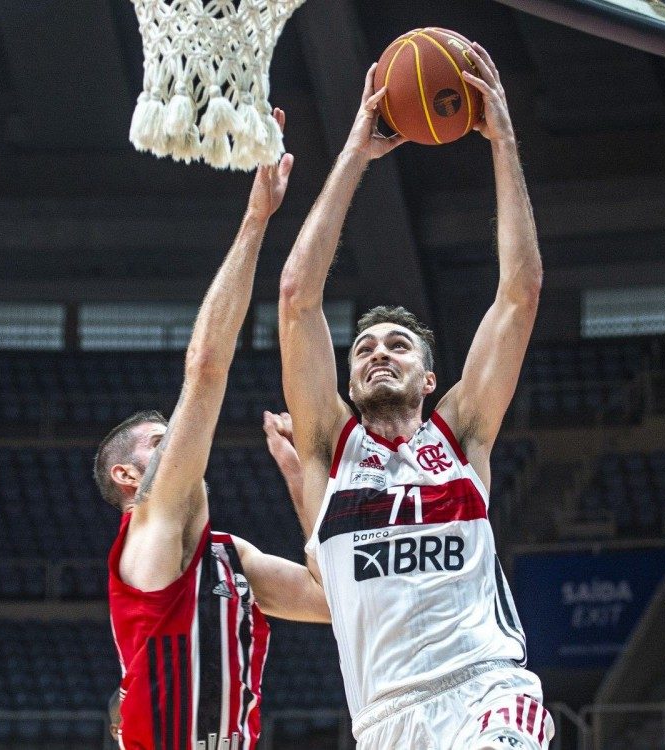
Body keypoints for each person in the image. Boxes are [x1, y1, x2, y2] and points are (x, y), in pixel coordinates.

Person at [277, 45, 553, 749]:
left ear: (431, 380)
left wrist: (504, 141)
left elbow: (519, 297)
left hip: (486, 688)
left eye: (398, 347)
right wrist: (354, 154)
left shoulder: (461, 435)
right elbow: (296, 300)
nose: (377, 354)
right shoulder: (329, 449)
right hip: (386, 720)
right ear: (346, 381)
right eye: (365, 349)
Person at [96, 110, 329, 750]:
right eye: (158, 440)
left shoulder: (233, 557)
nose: (177, 442)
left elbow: (335, 599)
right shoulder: (148, 532)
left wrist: (299, 476)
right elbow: (204, 371)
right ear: (128, 475)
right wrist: (255, 222)